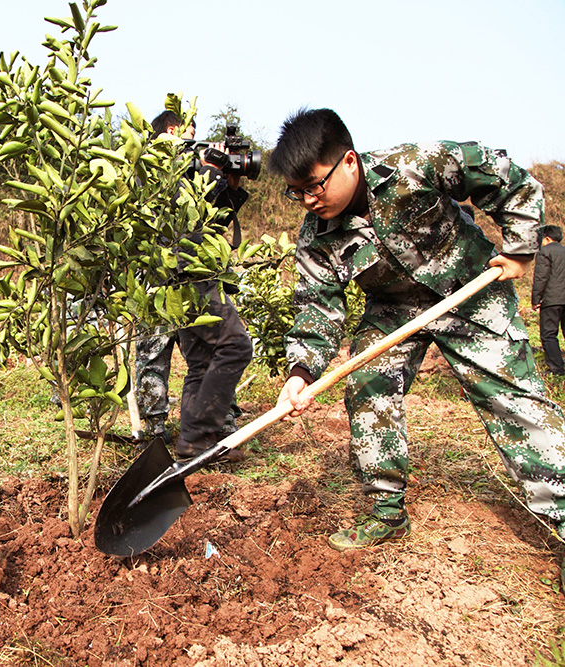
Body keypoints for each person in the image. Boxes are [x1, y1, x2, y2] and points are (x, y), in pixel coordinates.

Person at [268, 108, 565, 585]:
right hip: (392, 308)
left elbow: (507, 177)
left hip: (470, 288)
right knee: (368, 382)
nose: (306, 200)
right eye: (295, 192)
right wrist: (301, 372)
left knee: (515, 401)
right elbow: (316, 307)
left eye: (313, 186)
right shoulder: (316, 237)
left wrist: (519, 245)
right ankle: (386, 510)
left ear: (348, 161)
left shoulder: (416, 165)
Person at [142, 110, 253, 460]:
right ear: (173, 130)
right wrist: (209, 170)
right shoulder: (157, 165)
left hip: (195, 271)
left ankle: (194, 445)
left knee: (202, 360)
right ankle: (197, 434)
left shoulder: (190, 169)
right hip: (186, 273)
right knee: (235, 346)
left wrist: (229, 185)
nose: (195, 140)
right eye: (190, 133)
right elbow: (181, 215)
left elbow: (211, 214)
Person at [531, 225, 565, 376]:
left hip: (552, 299)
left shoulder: (545, 252)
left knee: (549, 334)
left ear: (547, 238)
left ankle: (556, 369)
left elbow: (541, 277)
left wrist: (536, 299)